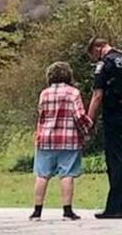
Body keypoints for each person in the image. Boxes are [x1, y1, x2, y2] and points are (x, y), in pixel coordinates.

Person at [87, 37, 122, 219]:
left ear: (98, 48)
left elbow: (97, 94)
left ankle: (115, 207)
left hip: (115, 114)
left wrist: (90, 120)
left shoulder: (106, 63)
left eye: (94, 56)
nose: (95, 60)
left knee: (116, 160)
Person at [29, 62, 93, 221]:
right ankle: (67, 211)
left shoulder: (44, 94)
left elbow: (41, 116)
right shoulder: (73, 93)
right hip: (68, 139)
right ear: (68, 75)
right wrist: (88, 128)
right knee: (67, 174)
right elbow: (79, 116)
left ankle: (37, 211)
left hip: (45, 139)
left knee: (42, 174)